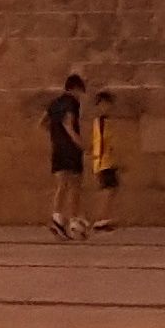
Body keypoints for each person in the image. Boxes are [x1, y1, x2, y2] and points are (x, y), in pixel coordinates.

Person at [41, 73, 89, 239]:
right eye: (80, 91)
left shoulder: (54, 103)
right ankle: (74, 220)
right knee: (76, 184)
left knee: (62, 185)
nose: (80, 96)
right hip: (70, 149)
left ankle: (57, 218)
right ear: (74, 88)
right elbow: (68, 124)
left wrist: (55, 135)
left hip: (57, 148)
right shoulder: (71, 103)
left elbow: (43, 122)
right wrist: (80, 143)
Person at [87, 88, 121, 233]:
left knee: (110, 189)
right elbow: (100, 143)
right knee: (108, 189)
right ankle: (101, 218)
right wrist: (100, 163)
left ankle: (104, 217)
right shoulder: (100, 122)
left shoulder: (106, 122)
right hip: (104, 162)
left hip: (107, 160)